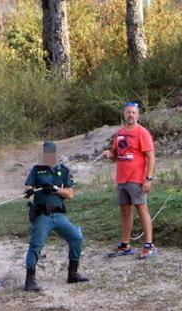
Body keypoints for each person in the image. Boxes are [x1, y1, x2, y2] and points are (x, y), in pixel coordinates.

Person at [23, 141, 89, 292]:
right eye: (45, 153)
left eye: (50, 153)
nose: (48, 156)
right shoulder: (37, 170)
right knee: (36, 244)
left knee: (76, 237)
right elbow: (28, 187)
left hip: (59, 215)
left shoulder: (63, 170)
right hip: (42, 215)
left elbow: (70, 194)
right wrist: (29, 191)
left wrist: (53, 188)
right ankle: (30, 280)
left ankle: (73, 273)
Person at [102, 101, 157, 259]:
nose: (130, 115)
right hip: (122, 179)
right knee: (125, 212)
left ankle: (149, 245)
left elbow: (151, 156)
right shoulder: (119, 133)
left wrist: (149, 178)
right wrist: (109, 154)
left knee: (142, 209)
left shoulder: (142, 132)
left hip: (137, 179)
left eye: (133, 112)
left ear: (137, 115)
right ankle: (125, 245)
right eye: (128, 112)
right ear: (124, 114)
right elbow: (116, 155)